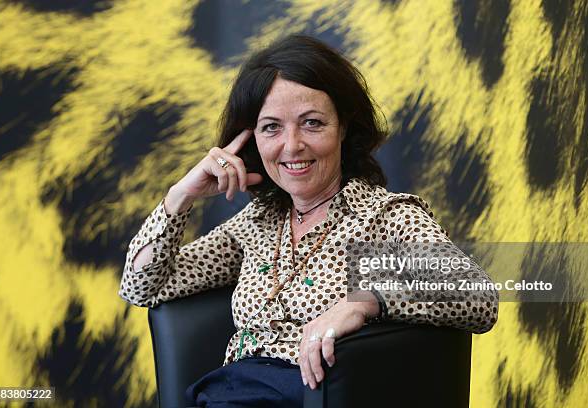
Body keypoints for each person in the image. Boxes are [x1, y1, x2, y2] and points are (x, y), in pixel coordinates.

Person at [118, 34, 499, 407]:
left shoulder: (383, 217)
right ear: (252, 140)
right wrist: (180, 197)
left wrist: (367, 302)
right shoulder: (257, 222)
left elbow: (478, 296)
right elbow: (142, 285)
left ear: (344, 127)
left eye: (312, 123)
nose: (292, 145)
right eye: (272, 127)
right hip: (229, 392)